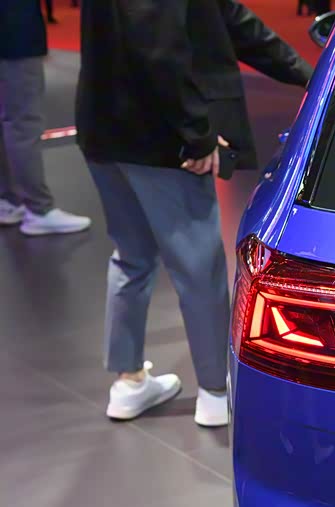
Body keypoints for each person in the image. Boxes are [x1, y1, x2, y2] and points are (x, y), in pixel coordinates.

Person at [77, 0, 312, 426]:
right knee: (198, 267)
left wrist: (307, 74)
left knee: (132, 257)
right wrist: (197, 133)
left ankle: (129, 381)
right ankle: (216, 391)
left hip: (104, 128)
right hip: (161, 140)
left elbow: (225, 17)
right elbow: (159, 50)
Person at [0, 1, 91, 235]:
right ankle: (38, 209)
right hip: (15, 34)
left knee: (11, 122)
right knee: (23, 124)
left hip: (12, 33)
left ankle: (9, 200)